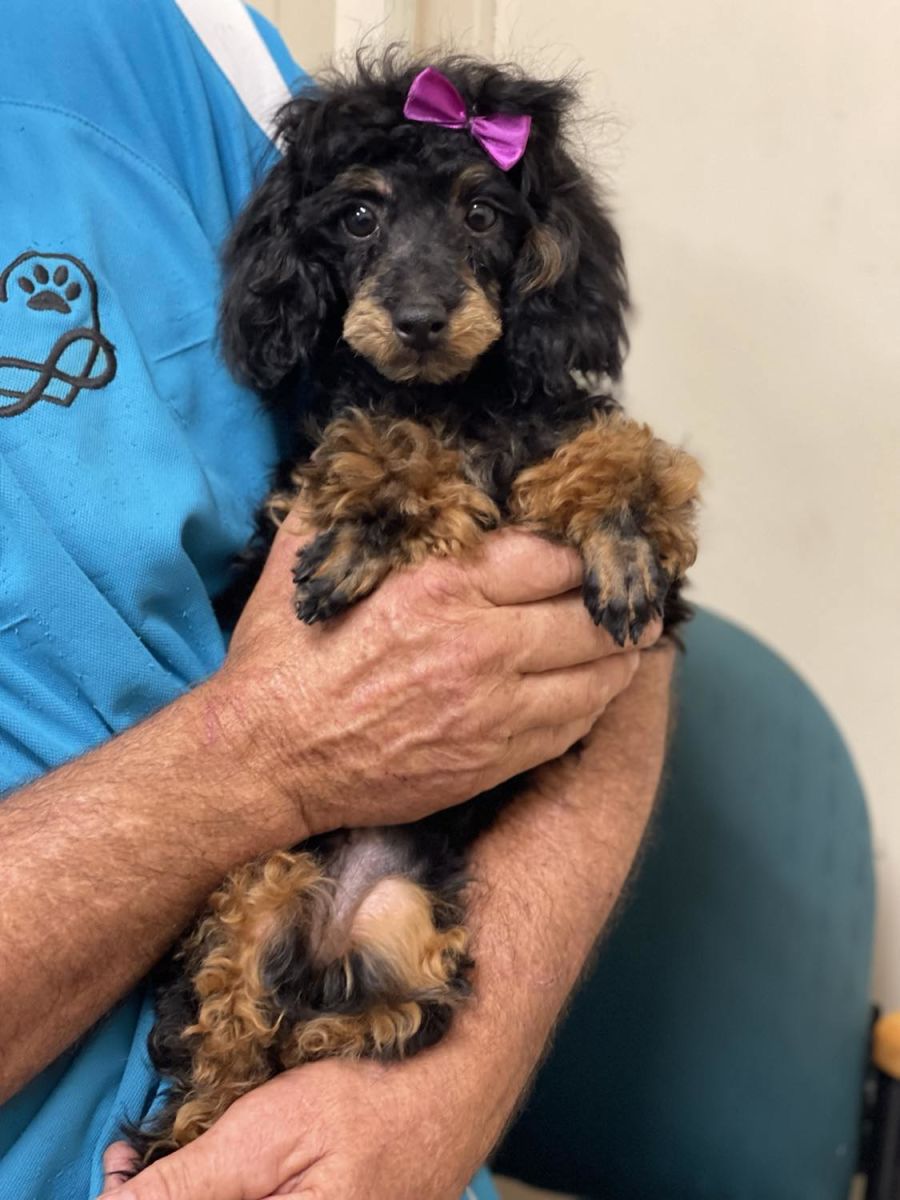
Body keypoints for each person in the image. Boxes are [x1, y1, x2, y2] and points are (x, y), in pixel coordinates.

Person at [0, 2, 674, 1197]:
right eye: (363, 221)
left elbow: (636, 629)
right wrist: (269, 753)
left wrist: (444, 1093)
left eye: (477, 217)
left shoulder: (198, 46)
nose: (418, 293)